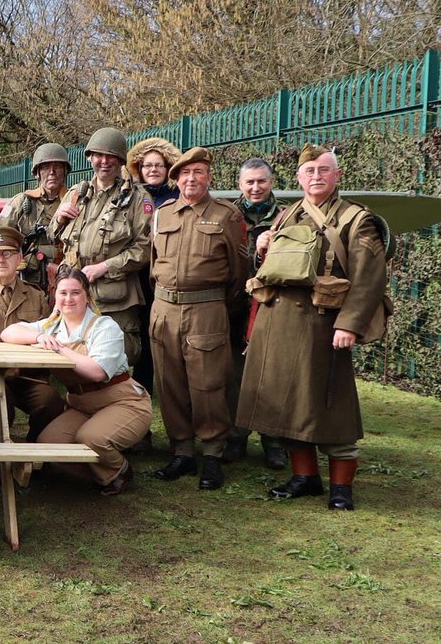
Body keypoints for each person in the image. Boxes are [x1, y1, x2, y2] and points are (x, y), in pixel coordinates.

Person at [237, 145, 388, 511]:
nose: (316, 176)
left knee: (330, 404)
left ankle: (341, 488)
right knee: (288, 407)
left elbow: (369, 279)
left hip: (325, 325)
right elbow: (272, 266)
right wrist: (261, 248)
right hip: (278, 322)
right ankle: (305, 478)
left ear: (337, 175)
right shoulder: (288, 214)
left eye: (323, 170)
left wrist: (350, 325)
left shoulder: (357, 219)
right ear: (299, 178)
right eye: (309, 171)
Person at [1, 266, 152, 495]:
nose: (68, 299)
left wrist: (60, 349)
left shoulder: (104, 326)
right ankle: (97, 474)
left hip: (123, 401)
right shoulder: (52, 326)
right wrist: (40, 336)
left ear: (87, 296)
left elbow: (97, 372)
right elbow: (8, 332)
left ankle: (119, 470)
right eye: (62, 293)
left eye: (75, 293)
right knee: (48, 446)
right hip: (82, 404)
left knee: (90, 438)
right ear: (55, 296)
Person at [149, 147, 248, 490]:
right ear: (175, 179)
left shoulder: (226, 216)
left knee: (207, 383)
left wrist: (217, 308)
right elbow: (154, 262)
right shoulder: (162, 213)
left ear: (209, 177)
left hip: (206, 310)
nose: (191, 179)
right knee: (170, 383)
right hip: (163, 309)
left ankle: (212, 453)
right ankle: (181, 451)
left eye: (199, 173)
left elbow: (239, 274)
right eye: (185, 174)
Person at [49, 128, 151, 365]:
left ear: (120, 161)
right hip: (76, 293)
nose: (104, 162)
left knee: (117, 357)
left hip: (114, 296)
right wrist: (59, 220)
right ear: (90, 158)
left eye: (111, 156)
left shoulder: (138, 198)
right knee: (75, 353)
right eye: (98, 155)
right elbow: (54, 237)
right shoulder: (76, 193)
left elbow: (144, 248)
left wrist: (105, 266)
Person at [0, 227, 62, 442]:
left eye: (7, 254)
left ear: (19, 258)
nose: (1, 260)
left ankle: (36, 453)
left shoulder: (36, 296)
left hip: (27, 375)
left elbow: (49, 336)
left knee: (50, 401)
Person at [224, 157, 288, 469]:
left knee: (271, 376)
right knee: (236, 375)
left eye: (261, 181)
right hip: (236, 306)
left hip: (273, 306)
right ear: (240, 185)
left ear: (272, 182)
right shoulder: (228, 215)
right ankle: (236, 438)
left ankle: (273, 441)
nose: (256, 187)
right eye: (249, 182)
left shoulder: (288, 216)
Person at [123, 136, 181, 449]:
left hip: (167, 284)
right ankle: (138, 428)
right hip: (137, 285)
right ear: (139, 169)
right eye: (148, 165)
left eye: (159, 165)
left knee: (165, 356)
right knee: (139, 353)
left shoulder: (177, 195)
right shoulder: (131, 196)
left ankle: (179, 433)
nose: (153, 170)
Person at [3, 143, 70, 291]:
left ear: (65, 171)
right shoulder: (21, 201)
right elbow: (3, 236)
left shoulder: (75, 200)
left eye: (57, 167)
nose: (52, 172)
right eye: (46, 167)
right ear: (38, 172)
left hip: (65, 276)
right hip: (28, 278)